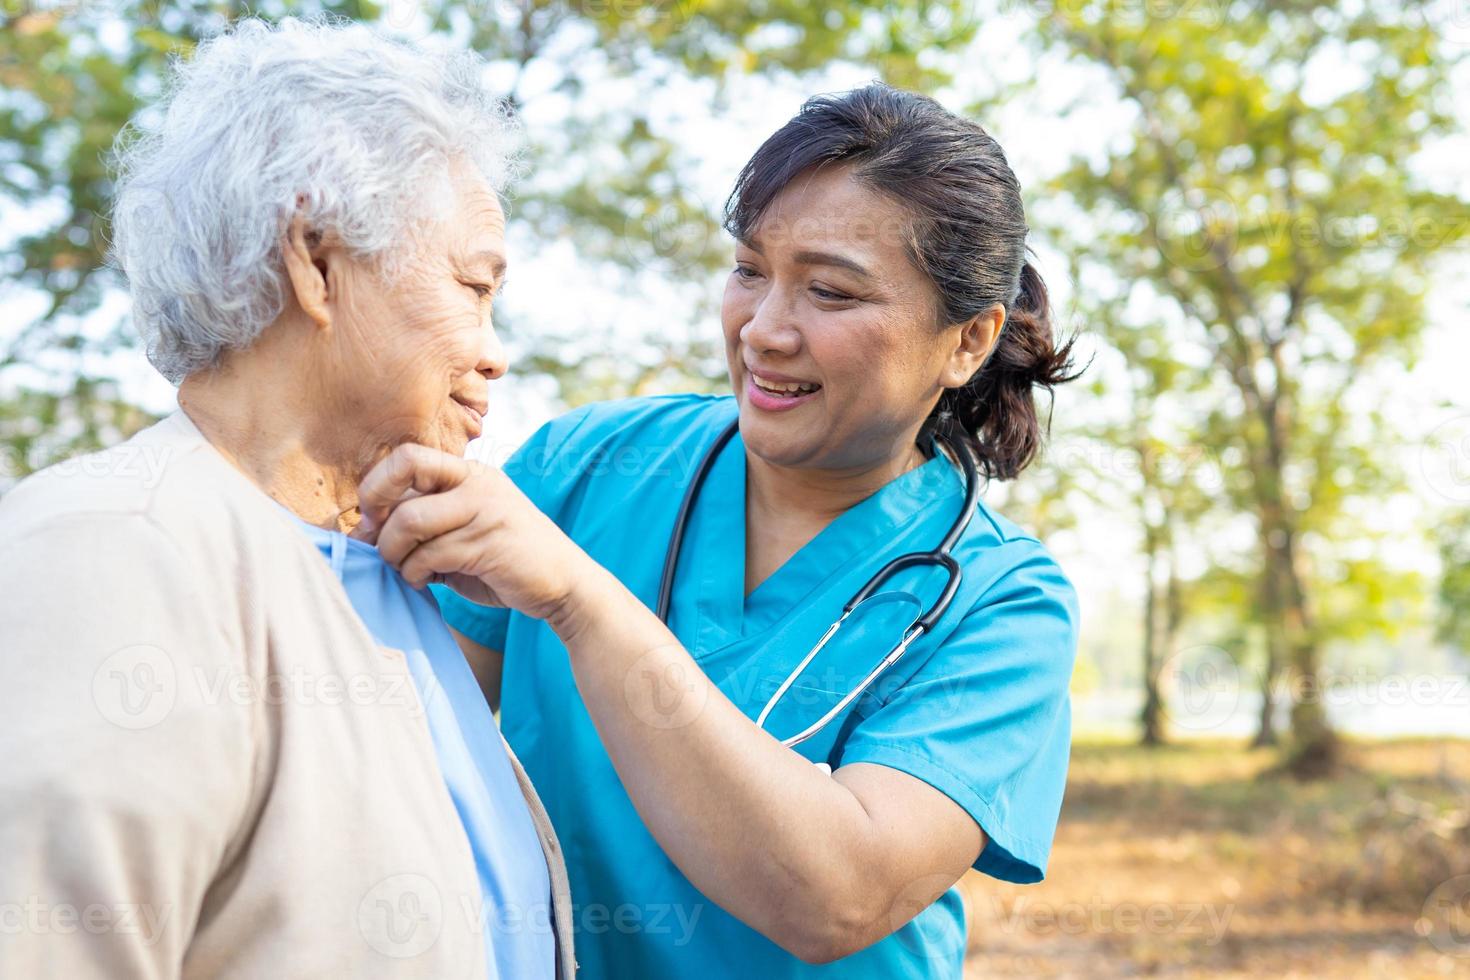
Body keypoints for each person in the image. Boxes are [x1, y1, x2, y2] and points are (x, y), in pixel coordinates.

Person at [359, 83, 1083, 977]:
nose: (764, 330)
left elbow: (837, 899)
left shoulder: (1003, 603)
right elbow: (396, 746)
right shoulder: (585, 464)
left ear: (968, 340)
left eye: (829, 290)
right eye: (748, 270)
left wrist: (581, 602)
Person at [0, 19, 572, 978]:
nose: (493, 351)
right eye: (474, 286)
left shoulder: (401, 582)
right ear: (314, 258)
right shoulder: (112, 553)